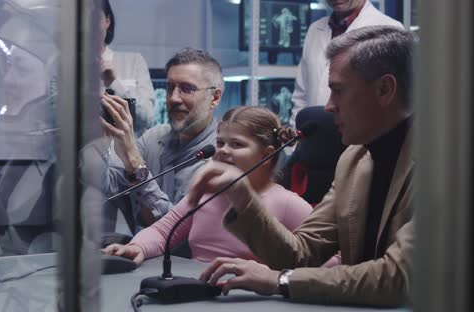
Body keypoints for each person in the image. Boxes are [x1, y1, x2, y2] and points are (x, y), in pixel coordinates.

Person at [192, 26, 415, 307]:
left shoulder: (444, 165)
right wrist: (242, 197)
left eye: (337, 91)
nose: (329, 106)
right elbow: (299, 254)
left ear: (384, 89)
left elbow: (396, 278)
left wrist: (281, 280)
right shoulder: (353, 160)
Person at [102, 106, 312, 264]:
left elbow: (328, 261)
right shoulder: (206, 195)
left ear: (267, 156)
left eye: (237, 144)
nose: (222, 150)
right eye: (220, 142)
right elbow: (162, 232)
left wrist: (275, 275)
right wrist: (137, 247)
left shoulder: (288, 204)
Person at [101, 47, 224, 234]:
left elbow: (181, 234)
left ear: (214, 97)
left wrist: (135, 164)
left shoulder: (222, 157)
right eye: (169, 88)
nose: (173, 98)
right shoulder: (153, 139)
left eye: (187, 89)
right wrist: (98, 140)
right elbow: (107, 186)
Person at [289, 0, 403, 127]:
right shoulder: (314, 29)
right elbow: (302, 94)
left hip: (361, 136)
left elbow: (391, 102)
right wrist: (296, 135)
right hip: (314, 135)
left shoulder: (389, 29)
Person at [100, 0, 154, 137]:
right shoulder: (65, 69)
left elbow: (147, 118)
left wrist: (114, 83)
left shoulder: (134, 61)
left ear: (107, 20)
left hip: (126, 155)